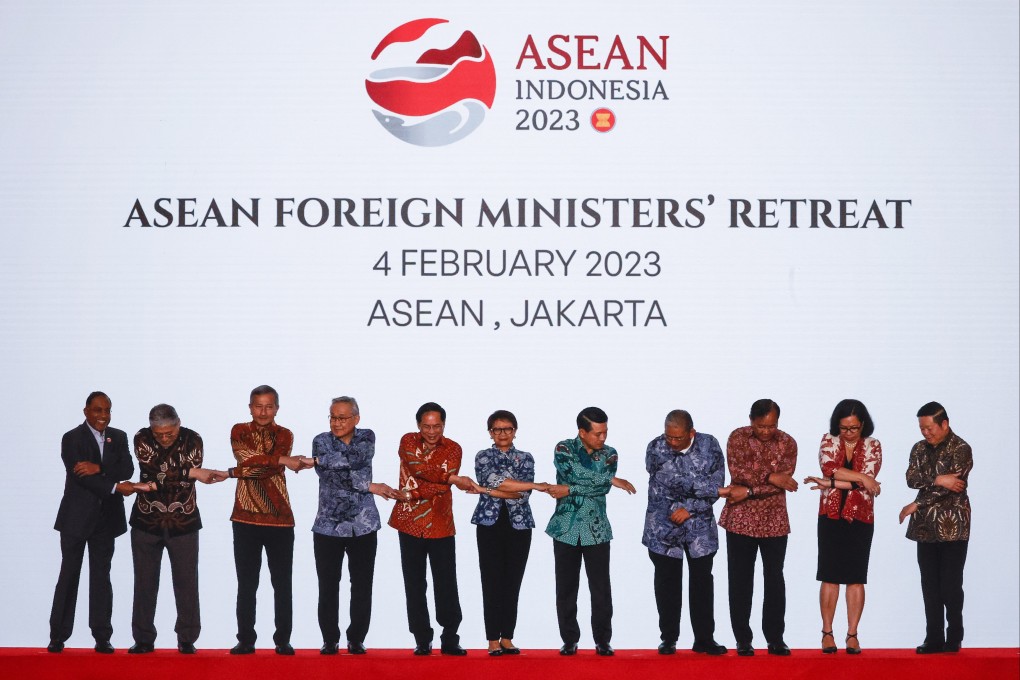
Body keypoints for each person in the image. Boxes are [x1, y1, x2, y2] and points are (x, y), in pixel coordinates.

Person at [127, 404, 225, 654]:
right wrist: (191, 471)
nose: (163, 438)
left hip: (185, 520)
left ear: (178, 424)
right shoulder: (141, 437)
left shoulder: (193, 439)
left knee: (186, 582)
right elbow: (153, 471)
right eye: (158, 434)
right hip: (146, 521)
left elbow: (164, 474)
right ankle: (143, 638)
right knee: (144, 581)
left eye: (169, 433)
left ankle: (187, 638)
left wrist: (184, 473)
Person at [303, 396, 396, 655]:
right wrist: (369, 486)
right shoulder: (320, 441)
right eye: (333, 417)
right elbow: (330, 478)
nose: (336, 422)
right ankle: (330, 639)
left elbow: (356, 459)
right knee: (328, 585)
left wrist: (320, 461)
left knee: (362, 584)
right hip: (327, 525)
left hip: (363, 524)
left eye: (342, 417)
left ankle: (356, 638)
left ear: (356, 418)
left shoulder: (367, 437)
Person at [48, 391, 136, 654]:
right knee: (69, 575)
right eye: (98, 410)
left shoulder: (118, 436)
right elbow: (80, 476)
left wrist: (100, 468)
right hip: (76, 518)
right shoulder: (72, 438)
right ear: (86, 411)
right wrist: (114, 487)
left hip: (106, 521)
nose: (103, 416)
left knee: (101, 577)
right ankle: (58, 635)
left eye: (107, 410)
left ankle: (102, 636)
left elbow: (128, 469)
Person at [225, 385, 309, 656]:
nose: (263, 411)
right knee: (246, 583)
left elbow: (257, 468)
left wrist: (234, 472)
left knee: (282, 583)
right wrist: (283, 459)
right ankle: (246, 640)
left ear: (277, 408)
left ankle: (282, 640)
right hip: (245, 517)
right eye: (258, 406)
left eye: (269, 406)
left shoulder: (285, 434)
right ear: (250, 407)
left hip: (280, 518)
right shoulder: (239, 430)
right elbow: (246, 459)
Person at [388, 402, 476, 656]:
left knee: (446, 582)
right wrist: (452, 478)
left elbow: (439, 486)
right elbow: (419, 469)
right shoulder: (407, 442)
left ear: (444, 425)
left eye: (437, 425)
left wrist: (411, 492)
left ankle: (450, 637)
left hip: (441, 523)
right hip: (409, 523)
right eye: (426, 426)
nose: (431, 431)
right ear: (418, 425)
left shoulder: (453, 448)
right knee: (414, 583)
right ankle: (422, 638)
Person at [546, 406, 635, 657]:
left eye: (605, 432)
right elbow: (572, 472)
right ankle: (569, 639)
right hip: (565, 527)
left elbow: (597, 489)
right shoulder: (563, 448)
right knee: (566, 588)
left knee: (600, 588)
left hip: (597, 529)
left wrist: (570, 489)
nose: (603, 438)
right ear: (582, 432)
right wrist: (611, 481)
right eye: (597, 434)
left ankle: (603, 640)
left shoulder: (610, 454)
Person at [642, 409, 730, 656]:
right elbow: (665, 483)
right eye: (668, 436)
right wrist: (709, 491)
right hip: (663, 525)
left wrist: (690, 507)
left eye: (677, 438)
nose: (672, 442)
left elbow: (717, 483)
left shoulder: (709, 444)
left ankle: (704, 639)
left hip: (699, 528)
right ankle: (668, 638)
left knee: (702, 582)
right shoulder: (655, 448)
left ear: (691, 432)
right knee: (667, 584)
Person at [719, 399, 798, 657]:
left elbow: (784, 482)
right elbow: (738, 472)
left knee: (774, 578)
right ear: (751, 420)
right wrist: (770, 477)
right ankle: (743, 638)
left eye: (772, 426)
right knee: (740, 580)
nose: (766, 431)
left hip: (774, 520)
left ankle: (775, 638)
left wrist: (752, 489)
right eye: (761, 426)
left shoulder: (788, 442)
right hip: (740, 519)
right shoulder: (737, 437)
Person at [804, 398, 882, 655]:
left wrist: (834, 482)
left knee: (856, 577)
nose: (848, 433)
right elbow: (830, 468)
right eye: (844, 428)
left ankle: (852, 635)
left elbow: (859, 480)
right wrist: (859, 478)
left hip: (861, 516)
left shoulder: (873, 445)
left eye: (854, 428)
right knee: (829, 574)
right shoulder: (829, 440)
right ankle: (827, 633)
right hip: (830, 515)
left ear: (863, 425)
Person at [469, 409, 549, 656]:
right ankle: (492, 639)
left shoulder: (526, 457)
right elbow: (492, 479)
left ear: (515, 431)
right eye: (497, 429)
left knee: (512, 581)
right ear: (490, 432)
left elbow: (520, 494)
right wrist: (532, 485)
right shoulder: (483, 456)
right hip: (489, 524)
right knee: (491, 580)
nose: (502, 433)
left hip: (519, 524)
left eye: (507, 429)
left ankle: (507, 637)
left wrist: (485, 490)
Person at [898, 402, 972, 654]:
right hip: (925, 528)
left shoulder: (961, 448)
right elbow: (911, 478)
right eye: (921, 428)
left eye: (929, 428)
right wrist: (939, 478)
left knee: (950, 585)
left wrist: (917, 503)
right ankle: (933, 637)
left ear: (944, 424)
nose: (925, 433)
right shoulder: (918, 448)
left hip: (954, 526)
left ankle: (955, 635)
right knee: (929, 584)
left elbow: (953, 487)